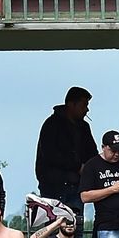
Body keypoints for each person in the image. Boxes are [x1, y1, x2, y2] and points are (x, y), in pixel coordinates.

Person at [35, 87, 97, 220]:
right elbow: (49, 155)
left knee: (76, 224)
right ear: (71, 104)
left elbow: (92, 152)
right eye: (84, 105)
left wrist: (92, 169)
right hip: (54, 185)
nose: (87, 110)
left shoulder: (84, 127)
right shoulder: (51, 124)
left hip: (77, 185)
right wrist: (77, 166)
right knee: (54, 228)